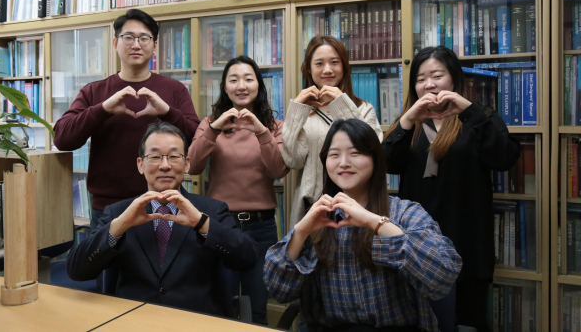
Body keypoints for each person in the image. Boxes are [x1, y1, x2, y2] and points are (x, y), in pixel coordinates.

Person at [264, 119, 462, 332]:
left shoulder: (406, 212)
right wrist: (301, 231)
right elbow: (279, 290)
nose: (344, 162)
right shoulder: (318, 218)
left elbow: (442, 275)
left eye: (355, 153)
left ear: (375, 160)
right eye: (334, 155)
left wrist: (373, 221)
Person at [382, 46, 520, 332]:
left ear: (454, 78)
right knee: (418, 320)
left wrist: (469, 111)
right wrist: (407, 120)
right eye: (421, 79)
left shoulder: (481, 118)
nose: (429, 84)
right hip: (418, 243)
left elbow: (505, 158)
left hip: (467, 239)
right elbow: (385, 164)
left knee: (467, 321)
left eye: (437, 75)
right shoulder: (409, 125)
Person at [67, 122, 257, 315]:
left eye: (174, 157)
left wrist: (201, 223)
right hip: (134, 321)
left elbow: (247, 258)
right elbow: (76, 270)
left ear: (187, 164)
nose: (165, 166)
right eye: (155, 157)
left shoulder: (211, 210)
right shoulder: (119, 213)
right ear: (141, 165)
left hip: (194, 322)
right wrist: (120, 226)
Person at [53, 9, 200, 228]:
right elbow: (62, 138)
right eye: (128, 37)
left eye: (144, 38)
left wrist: (166, 111)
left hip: (165, 204)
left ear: (155, 45)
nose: (136, 44)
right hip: (108, 208)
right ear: (115, 43)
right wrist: (103, 109)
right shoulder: (94, 91)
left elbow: (197, 138)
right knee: (106, 263)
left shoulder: (175, 90)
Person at [188, 55, 289, 325]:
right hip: (221, 225)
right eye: (234, 80)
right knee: (223, 304)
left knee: (258, 307)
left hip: (262, 226)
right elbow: (193, 166)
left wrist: (261, 132)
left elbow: (279, 170)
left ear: (259, 85)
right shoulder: (210, 123)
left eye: (248, 78)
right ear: (224, 87)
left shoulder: (274, 127)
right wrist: (213, 128)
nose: (241, 85)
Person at [282, 35, 383, 227]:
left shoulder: (363, 109)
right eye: (319, 63)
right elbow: (292, 160)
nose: (327, 70)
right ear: (309, 69)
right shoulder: (303, 113)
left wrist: (342, 104)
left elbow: (373, 151)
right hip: (312, 209)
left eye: (334, 62)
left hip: (359, 207)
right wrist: (296, 111)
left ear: (344, 67)